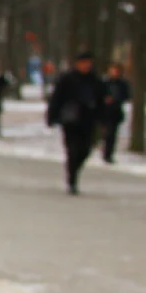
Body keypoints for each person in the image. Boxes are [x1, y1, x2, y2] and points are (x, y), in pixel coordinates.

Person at [48, 51, 103, 194]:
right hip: (71, 120)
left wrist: (102, 117)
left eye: (88, 63)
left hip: (88, 120)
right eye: (83, 63)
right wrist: (52, 116)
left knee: (85, 150)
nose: (86, 66)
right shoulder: (67, 79)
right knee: (72, 150)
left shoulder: (95, 80)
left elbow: (101, 100)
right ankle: (72, 179)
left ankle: (74, 169)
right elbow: (57, 98)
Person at [101, 63, 131, 164]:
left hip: (115, 112)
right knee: (106, 133)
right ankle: (105, 151)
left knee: (112, 134)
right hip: (105, 111)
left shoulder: (122, 84)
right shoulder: (105, 82)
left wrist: (116, 99)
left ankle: (108, 154)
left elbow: (126, 96)